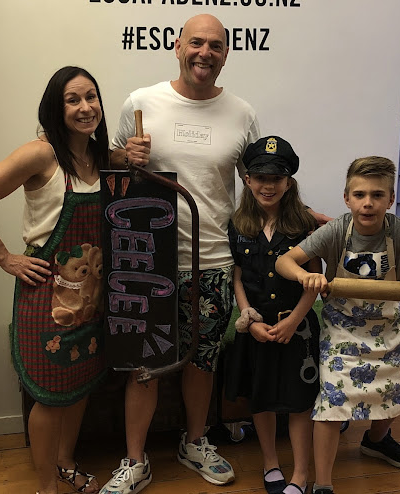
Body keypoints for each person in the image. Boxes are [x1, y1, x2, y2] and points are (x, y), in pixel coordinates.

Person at [103, 14, 329, 494]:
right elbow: (110, 162)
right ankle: (135, 460)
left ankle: (195, 441)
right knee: (144, 365)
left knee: (201, 361)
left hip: (214, 262)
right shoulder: (141, 102)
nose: (205, 52)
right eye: (197, 42)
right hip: (149, 260)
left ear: (226, 53)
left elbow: (262, 181)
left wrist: (308, 216)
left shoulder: (241, 113)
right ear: (178, 46)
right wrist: (124, 156)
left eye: (216, 45)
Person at [0, 66, 109, 494]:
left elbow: (125, 159)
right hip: (45, 296)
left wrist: (134, 152)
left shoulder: (99, 156)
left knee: (77, 385)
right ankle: (47, 487)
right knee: (49, 395)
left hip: (90, 296)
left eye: (91, 97)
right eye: (73, 100)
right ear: (55, 109)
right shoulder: (40, 155)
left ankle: (65, 464)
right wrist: (5, 257)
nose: (85, 107)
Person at [275, 156, 400, 494]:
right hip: (341, 330)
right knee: (332, 404)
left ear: (390, 199)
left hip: (386, 329)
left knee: (393, 393)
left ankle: (376, 440)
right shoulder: (336, 231)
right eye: (359, 195)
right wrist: (305, 276)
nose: (367, 203)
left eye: (377, 195)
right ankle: (323, 483)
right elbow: (285, 261)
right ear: (346, 198)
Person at [224, 136, 321, 494]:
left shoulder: (305, 224)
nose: (268, 186)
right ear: (247, 180)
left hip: (298, 327)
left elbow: (314, 279)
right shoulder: (238, 224)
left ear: (288, 182)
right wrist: (249, 318)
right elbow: (237, 276)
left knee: (299, 403)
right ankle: (270, 462)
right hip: (258, 327)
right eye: (260, 178)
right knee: (260, 398)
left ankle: (301, 474)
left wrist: (294, 321)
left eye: (276, 178)